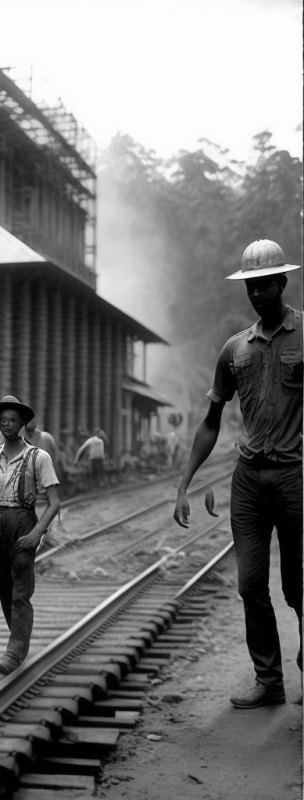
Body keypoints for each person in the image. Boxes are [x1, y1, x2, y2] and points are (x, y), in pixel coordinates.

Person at [173, 238, 302, 709]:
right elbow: (211, 421)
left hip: (294, 477)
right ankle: (269, 682)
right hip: (249, 480)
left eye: (264, 284)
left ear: (281, 282)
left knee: (298, 584)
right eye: (250, 285)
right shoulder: (234, 350)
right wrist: (185, 481)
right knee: (251, 584)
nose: (256, 293)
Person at [0, 395, 61, 675]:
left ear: (23, 423)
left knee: (21, 586)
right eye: (3, 420)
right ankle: (18, 638)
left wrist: (37, 532)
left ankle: (15, 651)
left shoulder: (38, 456)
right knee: (3, 584)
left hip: (23, 521)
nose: (7, 424)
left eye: (12, 420)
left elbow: (54, 502)